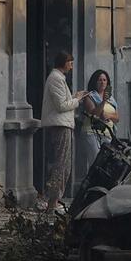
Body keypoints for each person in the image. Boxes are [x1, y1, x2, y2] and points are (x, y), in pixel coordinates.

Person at [41, 51, 87, 213]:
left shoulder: (59, 78)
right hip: (60, 125)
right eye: (70, 62)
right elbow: (61, 106)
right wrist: (78, 100)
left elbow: (62, 102)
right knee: (61, 164)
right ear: (63, 62)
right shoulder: (55, 78)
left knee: (64, 164)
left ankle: (54, 200)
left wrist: (75, 96)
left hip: (64, 124)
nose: (72, 65)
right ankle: (52, 202)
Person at [78, 69, 119, 180]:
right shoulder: (89, 96)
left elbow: (117, 117)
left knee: (107, 163)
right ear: (95, 82)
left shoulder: (112, 99)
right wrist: (103, 101)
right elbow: (95, 113)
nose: (102, 82)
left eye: (104, 80)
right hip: (92, 132)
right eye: (100, 80)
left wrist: (109, 116)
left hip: (108, 134)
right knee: (96, 161)